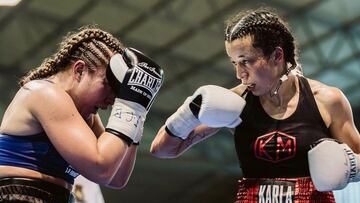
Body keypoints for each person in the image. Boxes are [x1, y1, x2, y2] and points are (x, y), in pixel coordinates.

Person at [150, 8, 360, 202]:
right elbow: (162, 149)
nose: (239, 74)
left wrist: (351, 167)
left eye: (246, 61)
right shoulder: (235, 104)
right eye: (235, 63)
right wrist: (189, 112)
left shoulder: (326, 100)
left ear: (277, 56)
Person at [0, 25, 164, 202]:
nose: (112, 100)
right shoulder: (44, 93)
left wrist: (137, 113)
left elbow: (116, 177)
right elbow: (101, 168)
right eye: (108, 86)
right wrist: (130, 107)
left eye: (118, 93)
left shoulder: (88, 118)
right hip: (17, 195)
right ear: (79, 70)